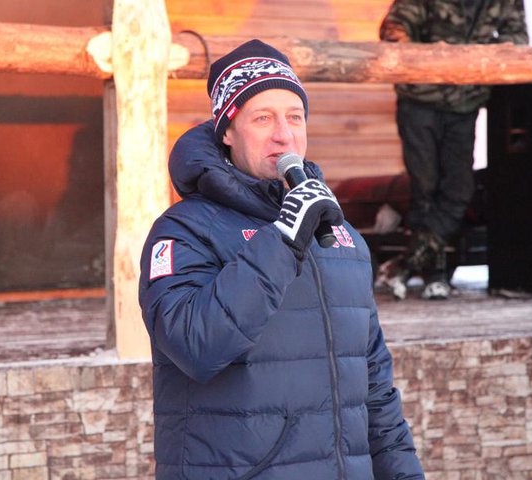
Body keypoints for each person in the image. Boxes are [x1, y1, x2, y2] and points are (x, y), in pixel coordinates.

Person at [138, 39, 425, 479]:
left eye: (294, 116)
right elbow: (195, 346)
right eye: (263, 118)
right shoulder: (183, 230)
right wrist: (282, 240)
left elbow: (374, 391)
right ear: (227, 132)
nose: (284, 134)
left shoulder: (342, 239)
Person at [379, 0, 529, 300]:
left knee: (459, 190)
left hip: (465, 103)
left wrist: (482, 58)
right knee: (426, 189)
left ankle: (405, 265)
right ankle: (435, 274)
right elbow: (394, 28)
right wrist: (429, 61)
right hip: (420, 101)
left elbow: (517, 40)